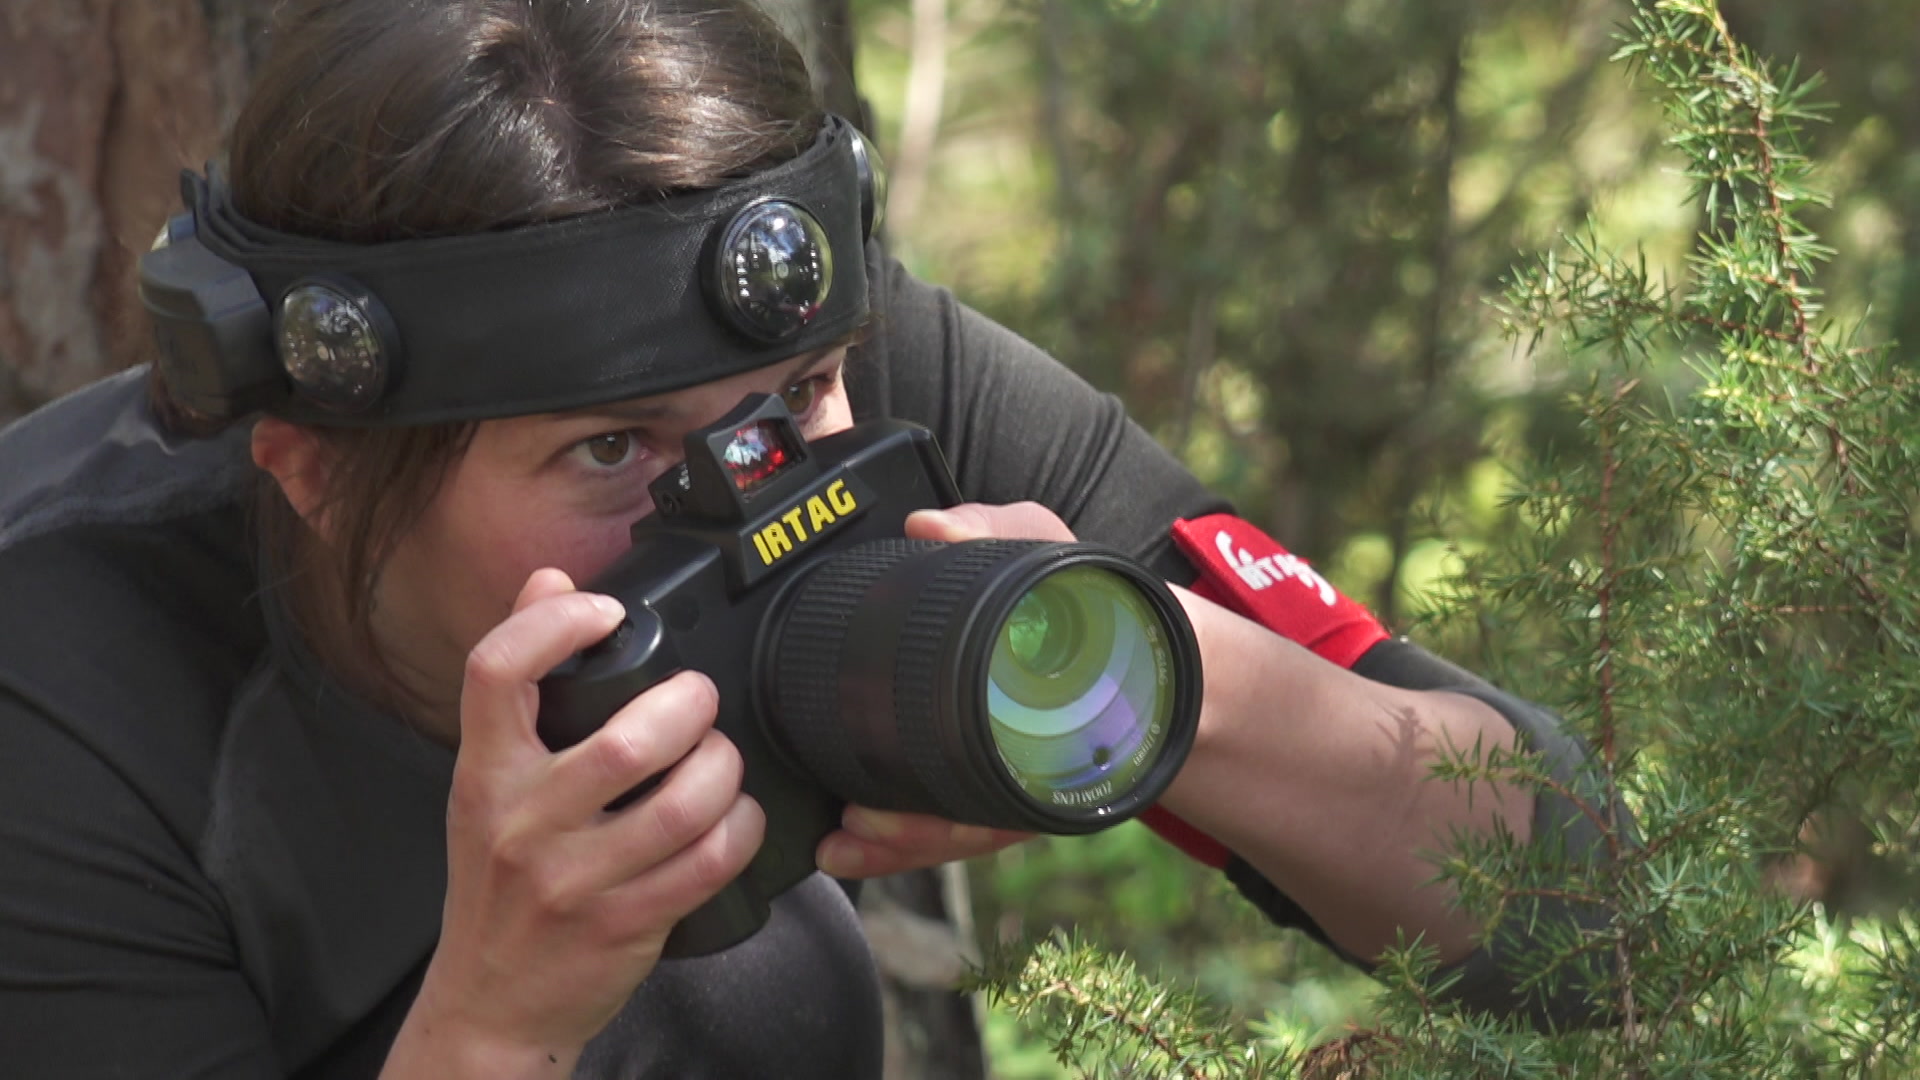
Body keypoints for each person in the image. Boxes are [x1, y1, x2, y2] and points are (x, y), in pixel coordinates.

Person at [0, 0, 1617, 1076]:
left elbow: (1593, 915)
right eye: (612, 449)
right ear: (315, 473)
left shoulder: (886, 404)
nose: (756, 490)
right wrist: (492, 1030)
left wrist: (1157, 675)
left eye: (796, 401)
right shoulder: (62, 692)